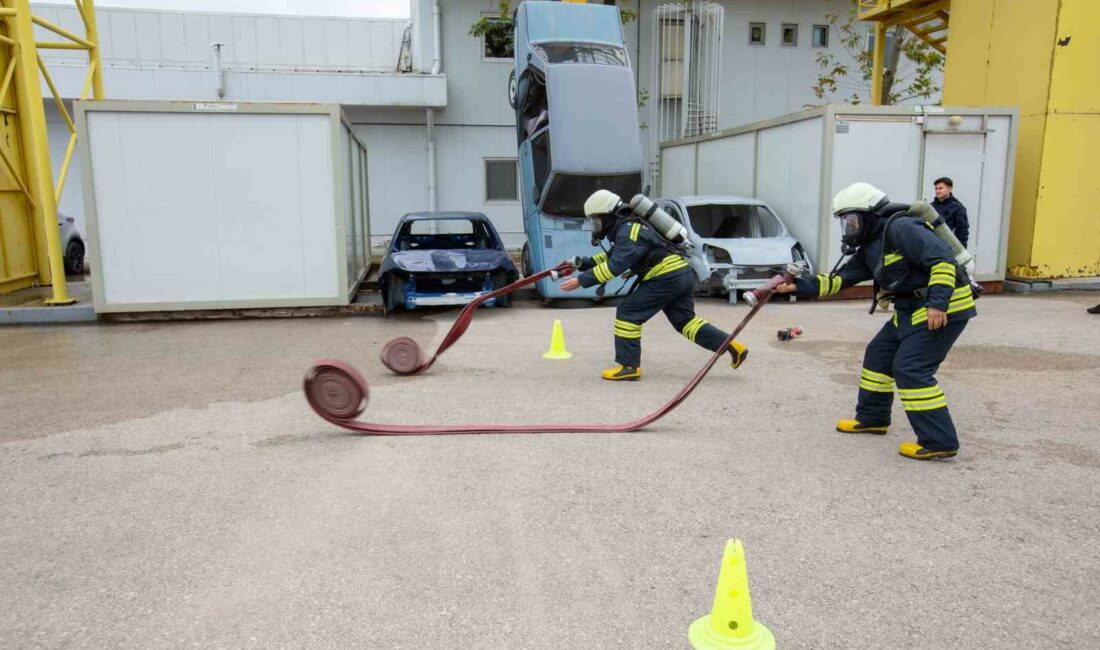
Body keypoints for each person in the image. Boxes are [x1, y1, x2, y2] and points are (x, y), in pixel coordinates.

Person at [776, 182, 976, 460]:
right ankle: (872, 418)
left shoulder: (902, 228)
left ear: (870, 214)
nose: (849, 227)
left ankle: (939, 440)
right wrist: (798, 287)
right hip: (911, 308)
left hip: (944, 307)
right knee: (879, 355)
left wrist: (938, 305)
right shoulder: (872, 244)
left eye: (852, 219)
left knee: (910, 369)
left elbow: (942, 261)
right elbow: (840, 280)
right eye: (845, 222)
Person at [558, 189, 749, 380]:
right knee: (685, 322)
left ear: (608, 216)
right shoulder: (629, 228)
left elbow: (616, 265)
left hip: (665, 277)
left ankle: (629, 367)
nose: (595, 226)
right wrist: (580, 263)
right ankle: (732, 346)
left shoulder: (628, 230)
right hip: (680, 274)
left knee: (628, 312)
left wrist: (581, 281)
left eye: (596, 220)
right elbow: (612, 257)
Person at [932, 177, 969, 248]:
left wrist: (962, 251)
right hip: (930, 245)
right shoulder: (931, 207)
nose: (937, 191)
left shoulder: (958, 208)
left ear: (949, 188)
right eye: (936, 189)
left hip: (947, 248)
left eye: (940, 188)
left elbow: (962, 232)